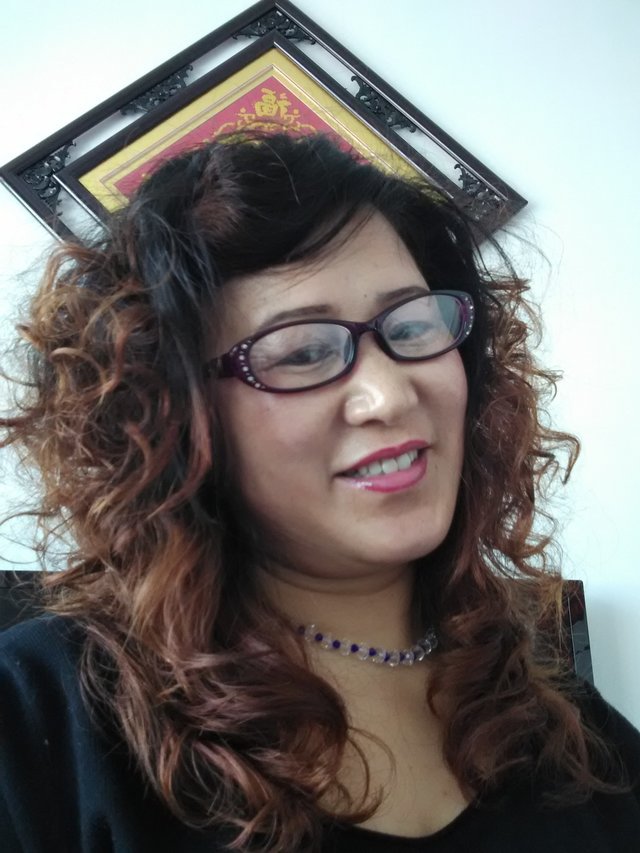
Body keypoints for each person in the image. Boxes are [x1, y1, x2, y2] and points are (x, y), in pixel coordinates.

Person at [0, 131, 638, 853]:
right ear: (171, 416)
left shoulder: (568, 726)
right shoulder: (39, 715)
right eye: (302, 351)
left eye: (412, 326)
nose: (389, 395)